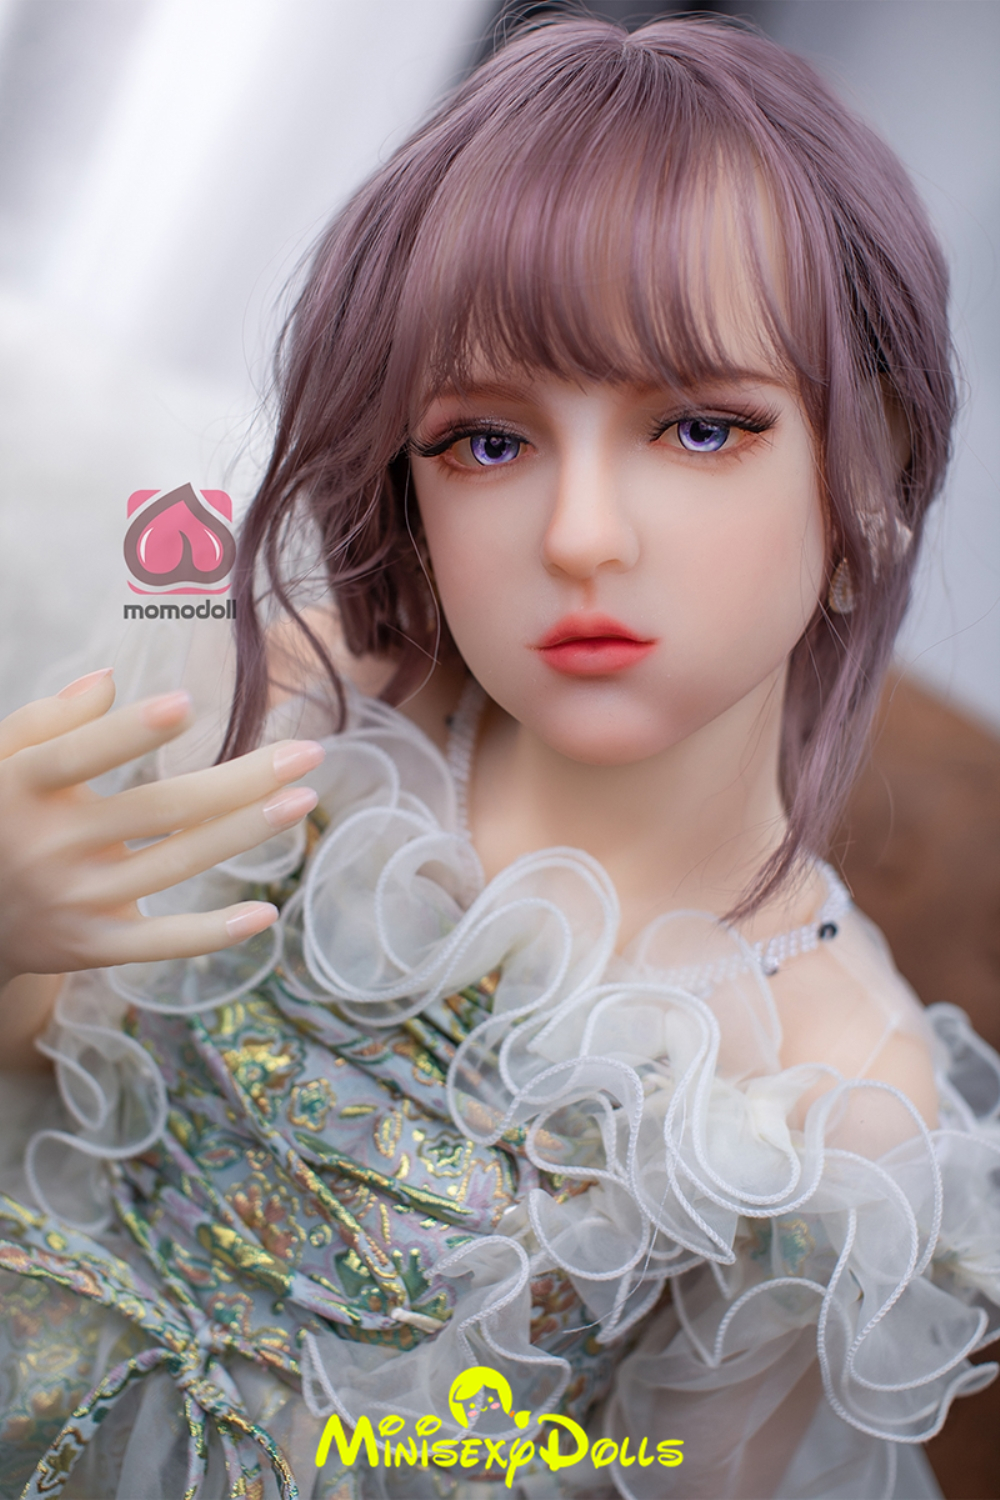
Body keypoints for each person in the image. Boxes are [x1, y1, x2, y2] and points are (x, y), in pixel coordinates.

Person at [1, 15, 997, 1500]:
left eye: (700, 429)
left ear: (870, 485)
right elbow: (60, 1081)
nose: (580, 534)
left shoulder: (834, 1100)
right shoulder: (306, 708)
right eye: (486, 441)